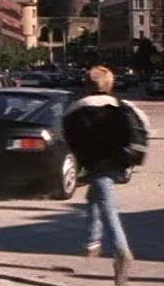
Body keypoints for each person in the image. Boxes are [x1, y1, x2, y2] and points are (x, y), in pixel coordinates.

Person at [62, 66, 150, 286]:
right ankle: (92, 241)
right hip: (120, 163)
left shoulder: (76, 109)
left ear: (87, 85)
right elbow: (145, 127)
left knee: (108, 208)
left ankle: (120, 251)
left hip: (95, 164)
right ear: (111, 85)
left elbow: (67, 136)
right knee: (95, 195)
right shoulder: (123, 106)